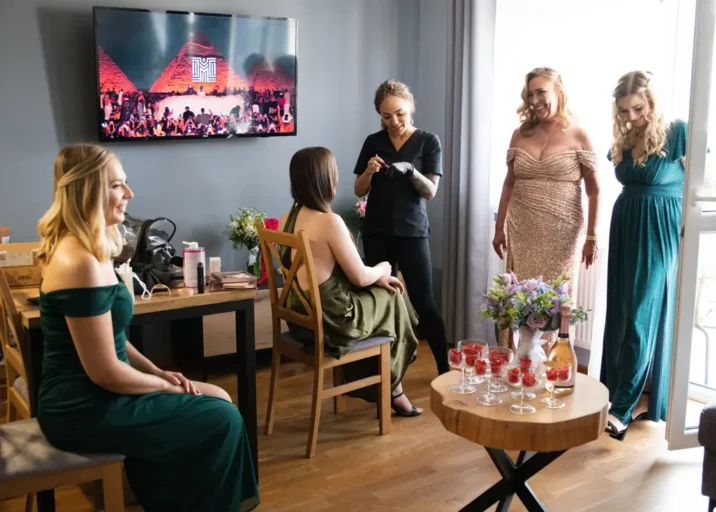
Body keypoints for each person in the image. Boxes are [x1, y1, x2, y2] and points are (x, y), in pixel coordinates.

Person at [35, 144, 259, 511]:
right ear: (87, 190)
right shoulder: (79, 262)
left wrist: (157, 372)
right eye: (116, 185)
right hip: (84, 407)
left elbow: (112, 338)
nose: (129, 193)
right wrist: (166, 387)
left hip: (100, 394)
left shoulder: (92, 250)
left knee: (219, 398)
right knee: (221, 417)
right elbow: (105, 372)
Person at [279, 146, 422, 417]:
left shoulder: (288, 218)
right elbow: (360, 276)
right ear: (325, 180)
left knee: (387, 294)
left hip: (301, 320)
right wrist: (383, 269)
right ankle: (393, 390)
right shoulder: (329, 222)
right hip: (333, 323)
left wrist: (377, 279)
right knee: (394, 296)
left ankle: (390, 390)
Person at [600, 71, 687, 440]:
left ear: (653, 101)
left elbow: (698, 184)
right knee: (622, 312)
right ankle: (619, 394)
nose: (632, 116)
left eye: (638, 108)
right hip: (626, 225)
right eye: (624, 110)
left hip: (659, 227)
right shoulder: (625, 135)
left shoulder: (679, 132)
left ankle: (623, 408)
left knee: (640, 315)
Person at [493, 67, 600, 351]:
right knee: (518, 298)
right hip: (522, 229)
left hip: (562, 233)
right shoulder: (519, 134)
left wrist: (592, 237)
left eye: (541, 92)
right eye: (530, 94)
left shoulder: (579, 135)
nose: (535, 100)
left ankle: (554, 365)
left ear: (559, 91)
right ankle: (518, 362)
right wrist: (499, 227)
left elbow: (594, 190)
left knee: (556, 300)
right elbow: (509, 183)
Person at [353, 79, 448, 375]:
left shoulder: (428, 142)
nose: (393, 122)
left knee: (424, 302)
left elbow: (430, 192)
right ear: (379, 116)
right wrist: (369, 172)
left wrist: (412, 172)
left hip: (412, 232)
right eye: (386, 116)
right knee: (381, 300)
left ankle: (444, 369)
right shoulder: (373, 142)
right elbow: (359, 190)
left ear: (411, 108)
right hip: (377, 233)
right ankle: (385, 374)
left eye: (399, 114)